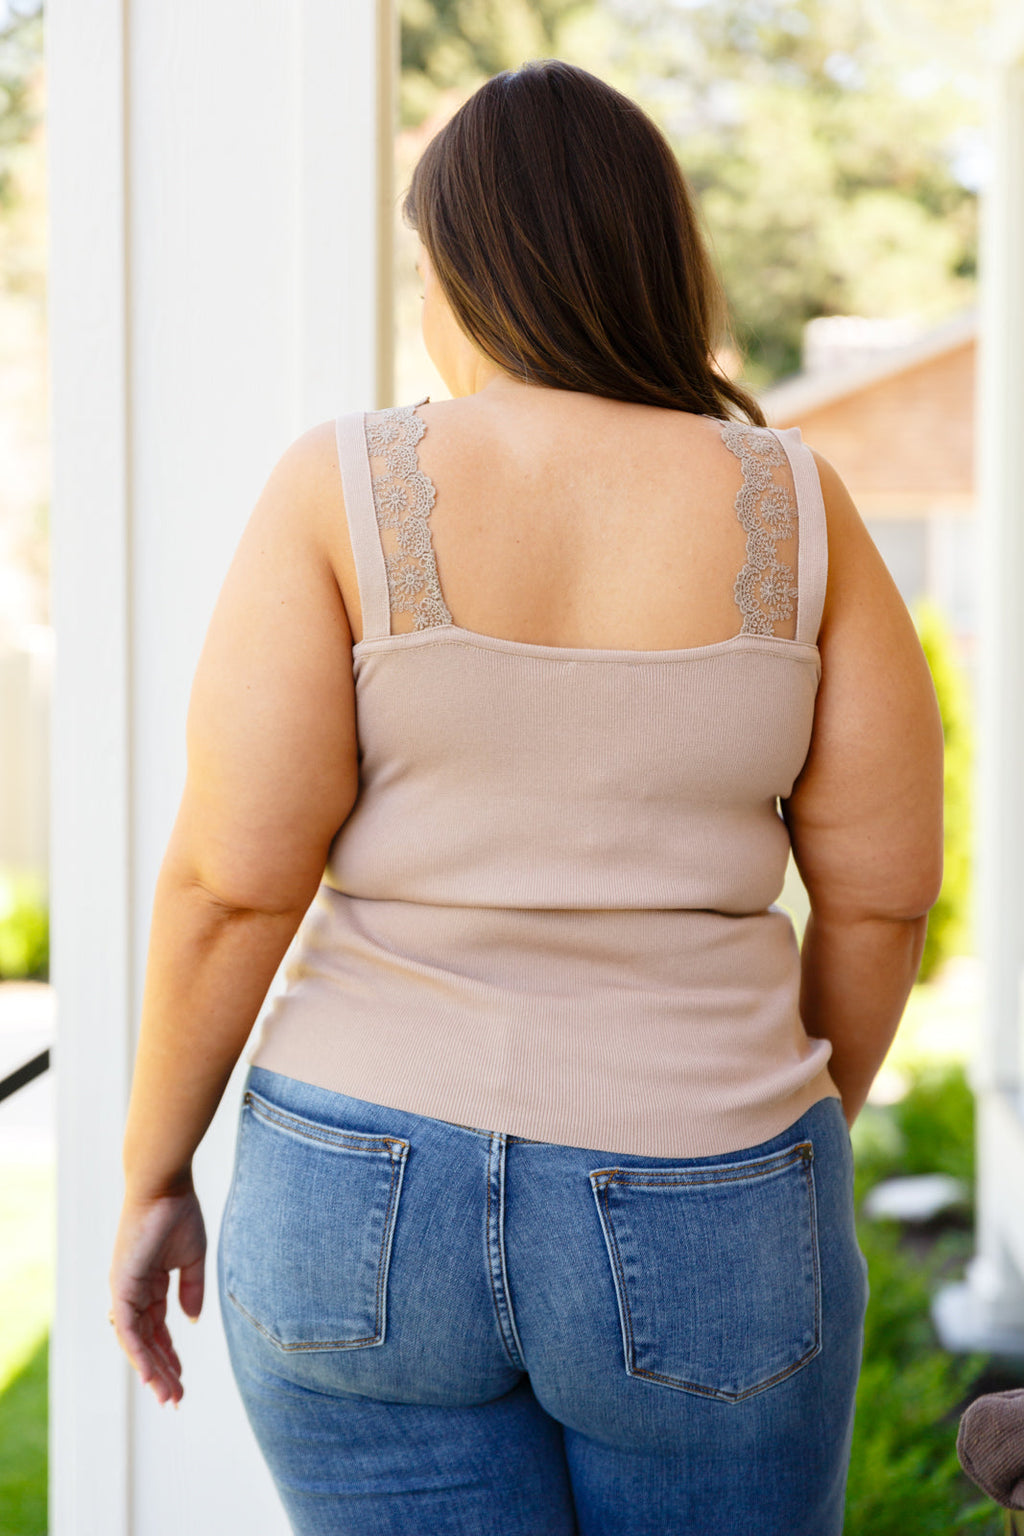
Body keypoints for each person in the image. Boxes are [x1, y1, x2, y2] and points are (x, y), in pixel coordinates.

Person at [108, 58, 944, 1536]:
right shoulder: (801, 505)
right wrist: (777, 1147)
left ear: (463, 272)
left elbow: (236, 880)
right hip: (715, 1177)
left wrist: (152, 1167)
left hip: (356, 1185)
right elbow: (881, 896)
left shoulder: (340, 486)